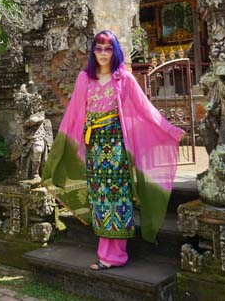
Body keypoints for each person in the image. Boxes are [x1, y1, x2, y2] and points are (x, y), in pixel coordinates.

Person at [41, 30, 184, 269]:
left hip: (116, 147)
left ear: (115, 52)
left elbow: (145, 109)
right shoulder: (84, 79)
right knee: (100, 198)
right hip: (94, 147)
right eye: (99, 48)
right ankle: (105, 253)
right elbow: (74, 114)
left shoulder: (124, 79)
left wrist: (171, 131)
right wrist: (64, 149)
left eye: (108, 49)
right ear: (93, 51)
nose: (103, 54)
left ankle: (115, 256)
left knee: (116, 197)